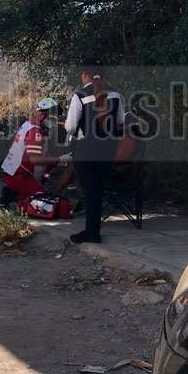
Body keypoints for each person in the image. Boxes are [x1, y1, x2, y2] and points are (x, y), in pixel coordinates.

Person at [64, 59, 124, 244]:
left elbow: (71, 127)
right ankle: (93, 230)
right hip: (108, 150)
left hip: (86, 151)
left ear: (84, 75)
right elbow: (120, 122)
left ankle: (92, 232)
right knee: (96, 189)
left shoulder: (80, 95)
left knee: (91, 191)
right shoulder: (115, 94)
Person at [0, 98, 73, 205]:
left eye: (55, 118)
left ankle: (13, 194)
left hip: (13, 172)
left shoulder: (30, 124)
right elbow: (35, 159)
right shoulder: (35, 131)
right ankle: (17, 197)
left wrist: (56, 161)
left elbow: (42, 154)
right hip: (19, 176)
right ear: (41, 114)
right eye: (52, 117)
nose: (53, 121)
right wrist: (60, 159)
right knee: (45, 203)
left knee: (50, 166)